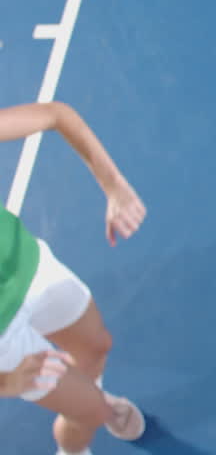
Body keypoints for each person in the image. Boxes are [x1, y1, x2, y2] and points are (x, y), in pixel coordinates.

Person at [0, 101, 147, 455]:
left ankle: (88, 392)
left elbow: (55, 115)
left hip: (27, 265)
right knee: (92, 414)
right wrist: (6, 383)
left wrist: (113, 185)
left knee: (97, 345)